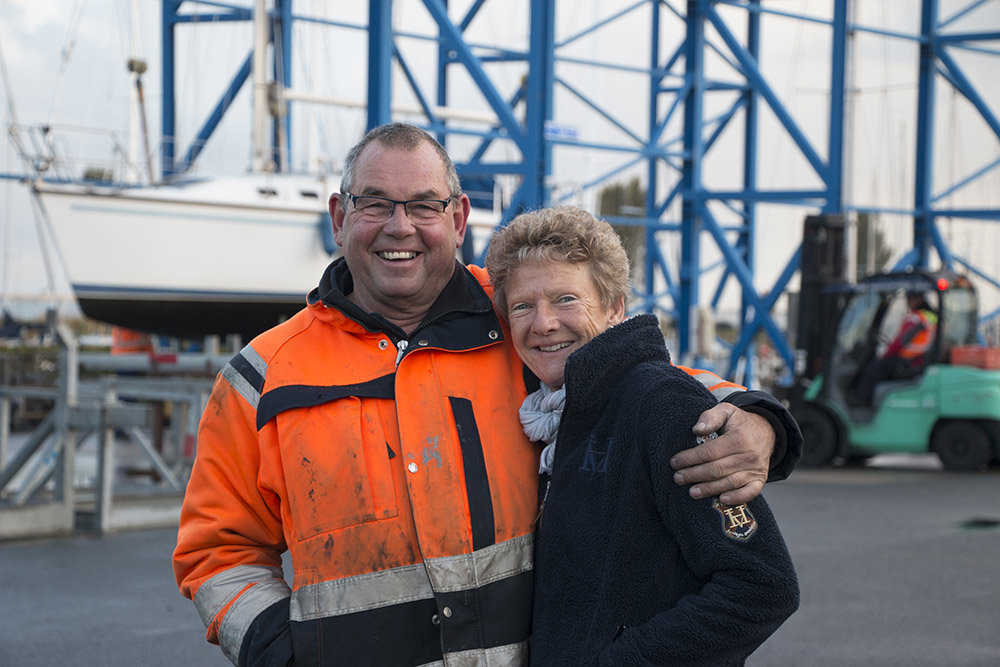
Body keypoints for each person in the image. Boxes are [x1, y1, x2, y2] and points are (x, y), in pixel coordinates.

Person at [172, 122, 802, 666]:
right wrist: (282, 654)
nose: (400, 226)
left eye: (424, 205)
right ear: (339, 217)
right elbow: (217, 552)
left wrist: (757, 419)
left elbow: (639, 379)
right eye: (375, 204)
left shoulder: (523, 323)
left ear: (458, 219)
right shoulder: (264, 377)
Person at [485, 205, 799, 665]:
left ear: (615, 308)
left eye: (566, 299)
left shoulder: (659, 405)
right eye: (522, 306)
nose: (543, 323)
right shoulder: (556, 418)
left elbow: (763, 586)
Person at [853, 290, 937, 406]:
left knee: (876, 366)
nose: (908, 302)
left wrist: (885, 355)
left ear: (918, 299)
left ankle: (860, 398)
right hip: (919, 360)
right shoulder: (930, 316)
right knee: (882, 365)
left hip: (910, 362)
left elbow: (899, 343)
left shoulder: (916, 318)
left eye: (910, 299)